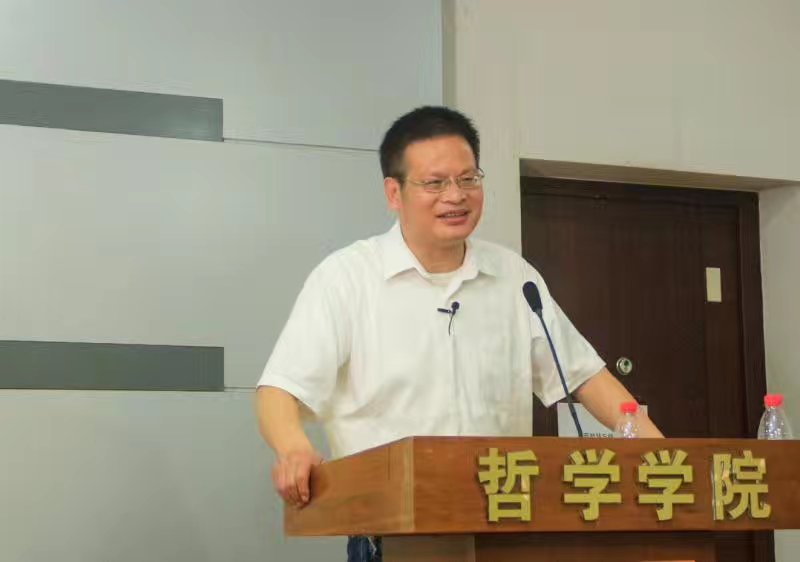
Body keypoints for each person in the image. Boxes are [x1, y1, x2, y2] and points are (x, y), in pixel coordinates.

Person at [255, 106, 663, 562]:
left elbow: (584, 375)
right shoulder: (347, 278)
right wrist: (294, 448)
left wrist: (658, 449)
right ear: (394, 193)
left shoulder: (514, 277)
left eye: (469, 179)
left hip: (506, 528)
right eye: (435, 183)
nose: (456, 195)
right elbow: (279, 389)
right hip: (393, 537)